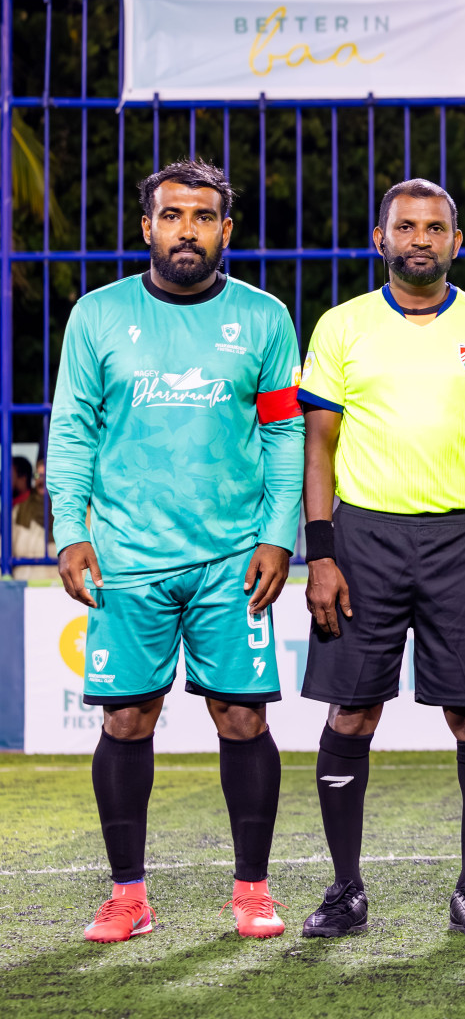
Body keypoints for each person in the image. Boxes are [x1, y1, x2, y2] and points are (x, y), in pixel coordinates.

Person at [48, 160, 303, 942]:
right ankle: (128, 897)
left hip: (233, 558)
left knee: (242, 718)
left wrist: (277, 534)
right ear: (146, 226)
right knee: (127, 719)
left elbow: (284, 433)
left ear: (226, 229)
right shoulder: (98, 315)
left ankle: (253, 891)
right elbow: (72, 429)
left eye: (202, 217)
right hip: (128, 556)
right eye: (171, 215)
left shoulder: (263, 318)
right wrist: (71, 529)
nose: (185, 230)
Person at [296, 179, 465, 939]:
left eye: (435, 228)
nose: (420, 239)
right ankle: (345, 890)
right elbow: (319, 446)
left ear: (456, 242)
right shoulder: (343, 325)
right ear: (381, 239)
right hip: (362, 540)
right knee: (352, 713)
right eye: (405, 227)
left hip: (464, 540)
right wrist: (321, 553)